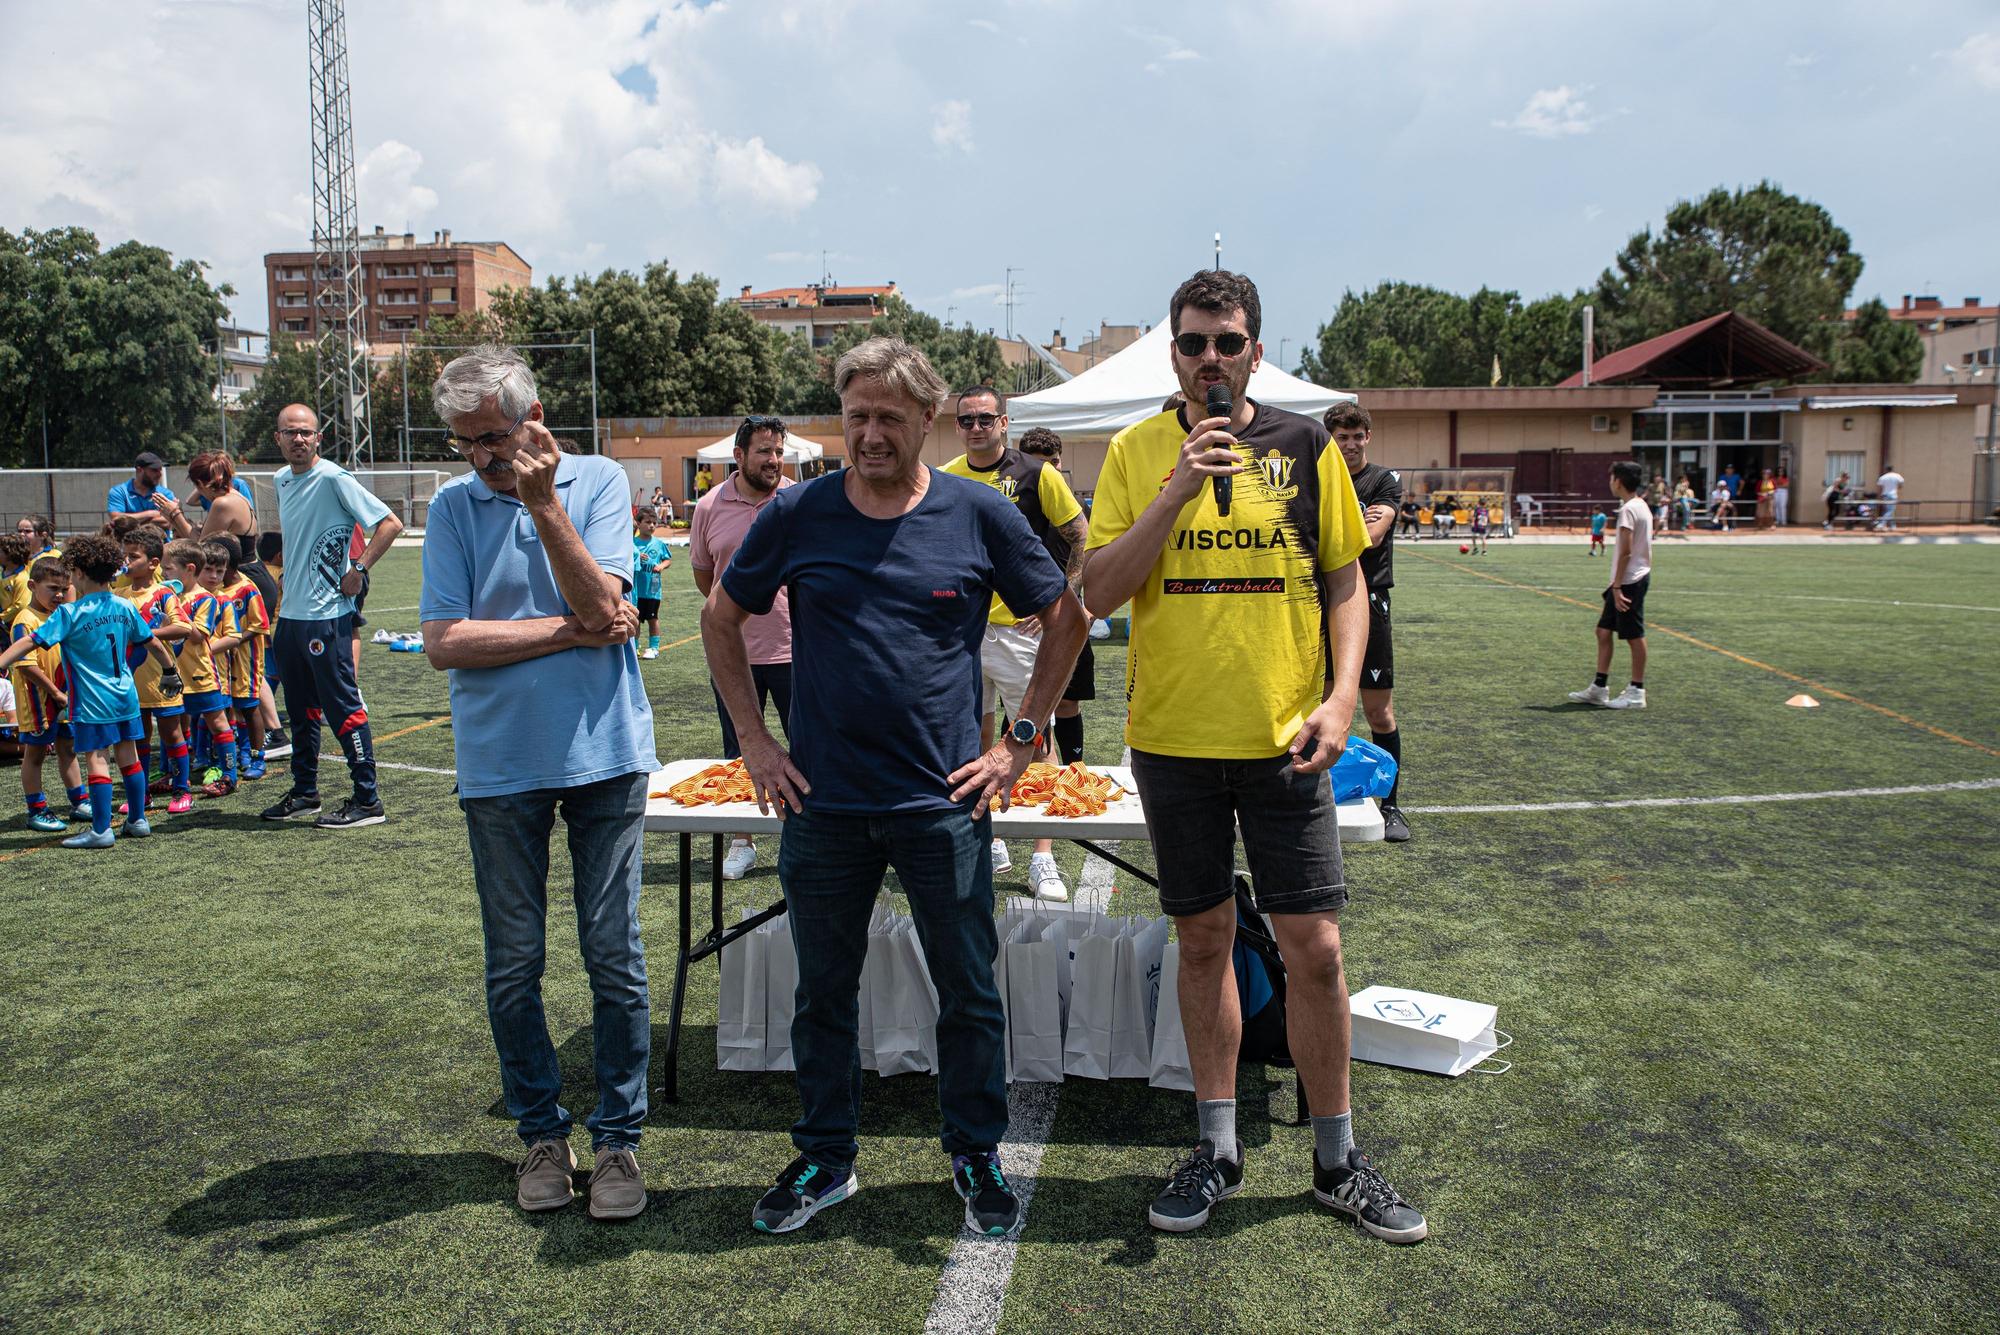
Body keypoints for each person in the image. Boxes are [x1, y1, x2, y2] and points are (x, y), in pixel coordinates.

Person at [701, 336, 1085, 1238]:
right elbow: (722, 617)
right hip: (823, 803)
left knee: (968, 989)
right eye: (856, 416)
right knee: (823, 991)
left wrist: (1021, 741)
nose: (870, 434)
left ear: (927, 421)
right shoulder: (797, 512)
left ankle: (974, 1149)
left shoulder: (978, 513)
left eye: (888, 418)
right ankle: (826, 1157)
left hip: (942, 805)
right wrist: (754, 738)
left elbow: (1064, 620)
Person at [1083, 269, 1427, 1243]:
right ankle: (1217, 1146)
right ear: (1172, 352)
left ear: (1254, 352)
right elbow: (1096, 591)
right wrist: (1178, 485)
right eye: (1191, 343)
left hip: (1288, 746)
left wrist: (1337, 699)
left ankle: (1336, 1159)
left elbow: (1345, 586)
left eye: (1225, 342)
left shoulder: (1305, 446)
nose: (1209, 359)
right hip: (1173, 744)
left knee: (1314, 949)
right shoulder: (1134, 451)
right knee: (1202, 944)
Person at [420, 345, 657, 1222]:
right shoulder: (450, 510)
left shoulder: (593, 482)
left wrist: (542, 501)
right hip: (499, 765)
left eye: (494, 435)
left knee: (614, 956)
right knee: (514, 963)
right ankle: (540, 1135)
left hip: (605, 756)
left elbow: (609, 610)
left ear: (536, 417)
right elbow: (446, 640)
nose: (483, 455)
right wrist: (568, 632)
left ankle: (619, 1140)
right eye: (467, 441)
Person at [942, 396, 1089, 901]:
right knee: (978, 740)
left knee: (1033, 740)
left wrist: (1058, 597)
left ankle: (1043, 857)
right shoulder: (947, 475)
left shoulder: (1036, 473)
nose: (977, 427)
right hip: (963, 634)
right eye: (967, 420)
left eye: (987, 418)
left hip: (1019, 633)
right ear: (957, 427)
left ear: (1004, 423)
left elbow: (1078, 533)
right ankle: (993, 839)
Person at [257, 404, 403, 829]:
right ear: (278, 439)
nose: (299, 439)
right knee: (300, 709)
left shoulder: (335, 477)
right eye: (291, 432)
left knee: (343, 708)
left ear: (318, 438)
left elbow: (390, 524)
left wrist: (358, 570)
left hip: (327, 618)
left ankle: (367, 800)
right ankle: (305, 793)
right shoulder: (282, 480)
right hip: (292, 619)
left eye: (306, 432)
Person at [0, 535, 182, 848]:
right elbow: (151, 641)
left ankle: (100, 831)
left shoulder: (70, 614)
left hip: (92, 701)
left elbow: (31, 641)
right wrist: (169, 671)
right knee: (129, 757)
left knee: (97, 760)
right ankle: (138, 820)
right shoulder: (124, 606)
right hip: (125, 696)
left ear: (79, 573)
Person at [688, 415, 797, 881]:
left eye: (778, 452)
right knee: (738, 751)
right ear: (739, 456)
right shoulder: (710, 506)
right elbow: (703, 577)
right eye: (764, 452)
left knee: (808, 748)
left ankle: (804, 836)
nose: (773, 460)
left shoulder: (799, 500)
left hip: (799, 651)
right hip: (735, 656)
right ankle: (743, 839)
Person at [1323, 402, 1412, 843]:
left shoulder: (1383, 480)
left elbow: (1372, 535)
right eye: (1343, 437)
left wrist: (1333, 524)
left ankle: (1392, 805)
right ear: (1331, 439)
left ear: (1368, 438)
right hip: (1319, 599)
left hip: (1370, 598)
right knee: (1314, 702)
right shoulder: (1317, 476)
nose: (1352, 444)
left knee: (1378, 710)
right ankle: (1312, 794)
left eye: (1359, 436)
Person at [1017, 430, 1094, 770]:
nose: (1047, 471)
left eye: (1054, 463)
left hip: (1068, 616)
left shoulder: (1075, 509)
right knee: (1025, 704)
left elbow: (1088, 552)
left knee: (1067, 703)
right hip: (1022, 623)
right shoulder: (1016, 506)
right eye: (1038, 464)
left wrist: (1071, 601)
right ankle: (1032, 777)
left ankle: (1075, 770)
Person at [113, 526, 197, 814]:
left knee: (172, 734)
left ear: (153, 563)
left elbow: (183, 626)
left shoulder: (162, 593)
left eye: (133, 556)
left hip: (161, 677)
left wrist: (146, 635)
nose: (126, 561)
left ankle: (182, 789)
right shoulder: (118, 593)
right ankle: (143, 793)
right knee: (139, 737)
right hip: (131, 680)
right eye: (124, 556)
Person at [9, 556, 90, 830]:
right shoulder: (25, 620)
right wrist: (55, 692)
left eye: (63, 589)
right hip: (39, 699)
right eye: (52, 588)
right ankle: (37, 809)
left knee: (68, 747)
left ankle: (79, 801)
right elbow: (25, 665)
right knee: (36, 753)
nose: (58, 595)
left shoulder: (62, 615)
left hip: (64, 696)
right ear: (32, 585)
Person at [1568, 460, 1654, 711]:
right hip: (1629, 578)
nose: (1610, 482)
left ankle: (1637, 691)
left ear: (1618, 481)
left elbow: (1626, 551)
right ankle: (1599, 687)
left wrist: (1617, 587)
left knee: (1634, 635)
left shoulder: (1629, 510)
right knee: (1603, 631)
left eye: (1611, 478)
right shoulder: (1641, 507)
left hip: (1628, 581)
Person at [162, 539, 240, 798]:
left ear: (188, 569)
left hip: (200, 674)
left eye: (169, 569)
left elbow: (198, 635)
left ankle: (229, 776)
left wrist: (174, 615)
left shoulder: (205, 599)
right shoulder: (169, 596)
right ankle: (175, 777)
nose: (164, 574)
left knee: (217, 723)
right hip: (172, 675)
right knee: (172, 726)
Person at [208, 537, 272, 780]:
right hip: (222, 661)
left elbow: (259, 625)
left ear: (230, 566)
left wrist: (234, 641)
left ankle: (258, 756)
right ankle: (241, 751)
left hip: (247, 659)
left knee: (249, 706)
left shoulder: (247, 589)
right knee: (231, 706)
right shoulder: (216, 590)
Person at [629, 506, 672, 659]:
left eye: (654, 523)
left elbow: (668, 559)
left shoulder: (659, 544)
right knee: (636, 620)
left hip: (652, 590)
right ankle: (634, 646)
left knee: (653, 618)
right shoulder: (632, 543)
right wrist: (637, 556)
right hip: (635, 590)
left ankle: (654, 648)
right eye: (648, 522)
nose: (652, 526)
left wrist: (661, 566)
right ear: (638, 524)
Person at [106, 451, 179, 528]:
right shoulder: (119, 492)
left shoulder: (165, 494)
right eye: (154, 470)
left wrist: (131, 522)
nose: (159, 474)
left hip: (161, 540)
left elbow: (169, 523)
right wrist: (150, 514)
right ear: (139, 470)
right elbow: (116, 519)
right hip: (128, 540)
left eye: (160, 469)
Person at [1874, 465, 1905, 530]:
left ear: (1886, 470)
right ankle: (1881, 524)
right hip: (1893, 495)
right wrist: (1898, 487)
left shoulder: (1883, 477)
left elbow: (1880, 487)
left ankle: (1892, 526)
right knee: (1890, 510)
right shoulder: (1897, 476)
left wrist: (1880, 496)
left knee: (1889, 510)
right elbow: (1901, 483)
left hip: (1885, 495)